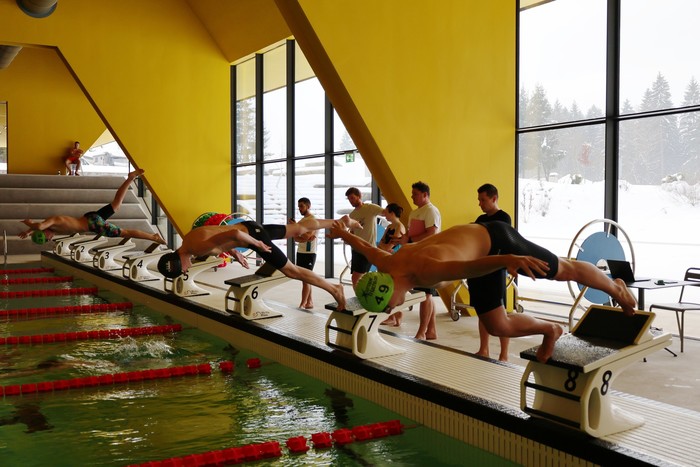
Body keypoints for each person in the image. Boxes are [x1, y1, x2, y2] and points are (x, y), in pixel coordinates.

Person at [329, 220, 637, 363]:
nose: (391, 309)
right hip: (479, 255)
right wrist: (343, 232)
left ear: (388, 291)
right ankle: (550, 329)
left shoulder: (426, 271)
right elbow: (365, 246)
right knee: (496, 325)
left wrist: (508, 258)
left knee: (562, 270)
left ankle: (617, 288)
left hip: (496, 240)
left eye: (387, 306)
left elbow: (470, 268)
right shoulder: (387, 263)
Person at [156, 215, 362, 312]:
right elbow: (219, 237)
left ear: (177, 262)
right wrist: (235, 253)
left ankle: (334, 289)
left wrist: (258, 245)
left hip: (251, 236)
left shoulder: (197, 249)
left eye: (182, 270)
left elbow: (233, 234)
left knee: (291, 271)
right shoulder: (189, 241)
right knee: (298, 229)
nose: (186, 270)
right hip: (250, 227)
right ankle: (341, 222)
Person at [19, 169, 166, 245]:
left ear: (44, 232)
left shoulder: (53, 221)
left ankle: (153, 237)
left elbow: (39, 226)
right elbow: (40, 227)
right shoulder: (52, 227)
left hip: (93, 224)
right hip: (90, 218)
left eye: (46, 239)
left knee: (125, 232)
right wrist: (28, 231)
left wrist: (29, 224)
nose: (50, 239)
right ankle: (130, 178)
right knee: (116, 205)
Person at [389, 181, 441, 339]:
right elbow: (410, 234)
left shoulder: (431, 211)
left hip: (429, 256)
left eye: (415, 194)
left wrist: (410, 239)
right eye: (412, 194)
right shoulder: (414, 213)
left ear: (425, 195)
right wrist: (403, 240)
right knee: (426, 294)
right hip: (417, 255)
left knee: (426, 295)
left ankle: (422, 331)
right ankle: (431, 330)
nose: (412, 197)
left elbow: (432, 234)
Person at [472, 183, 512, 361]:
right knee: (482, 310)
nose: (480, 204)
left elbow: (503, 243)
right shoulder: (480, 219)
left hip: (495, 270)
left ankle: (504, 353)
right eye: (479, 200)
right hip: (480, 269)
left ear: (494, 198)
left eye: (483, 200)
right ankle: (484, 348)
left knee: (500, 312)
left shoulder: (504, 218)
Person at [345, 187, 384, 287]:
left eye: (352, 198)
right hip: (356, 249)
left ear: (359, 196)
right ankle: (362, 295)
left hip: (367, 248)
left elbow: (386, 213)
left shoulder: (370, 208)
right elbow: (352, 232)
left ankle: (362, 296)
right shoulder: (352, 215)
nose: (350, 201)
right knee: (358, 278)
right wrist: (347, 238)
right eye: (349, 199)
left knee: (356, 278)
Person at [292, 197, 318, 309]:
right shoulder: (301, 221)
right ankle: (309, 302)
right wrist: (303, 236)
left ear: (308, 206)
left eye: (301, 206)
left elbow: (307, 236)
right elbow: (295, 238)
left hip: (309, 253)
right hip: (300, 251)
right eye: (298, 206)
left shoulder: (313, 220)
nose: (299, 209)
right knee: (305, 279)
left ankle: (302, 303)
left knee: (306, 279)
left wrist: (301, 234)